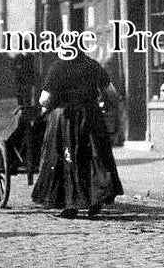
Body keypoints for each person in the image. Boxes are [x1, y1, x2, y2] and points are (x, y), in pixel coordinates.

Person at [31, 48, 124, 219]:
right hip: (91, 116)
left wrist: (50, 104)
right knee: (94, 158)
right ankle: (96, 199)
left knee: (65, 158)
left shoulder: (57, 68)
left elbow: (44, 99)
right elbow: (111, 93)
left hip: (65, 119)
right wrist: (105, 107)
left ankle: (70, 205)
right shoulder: (92, 65)